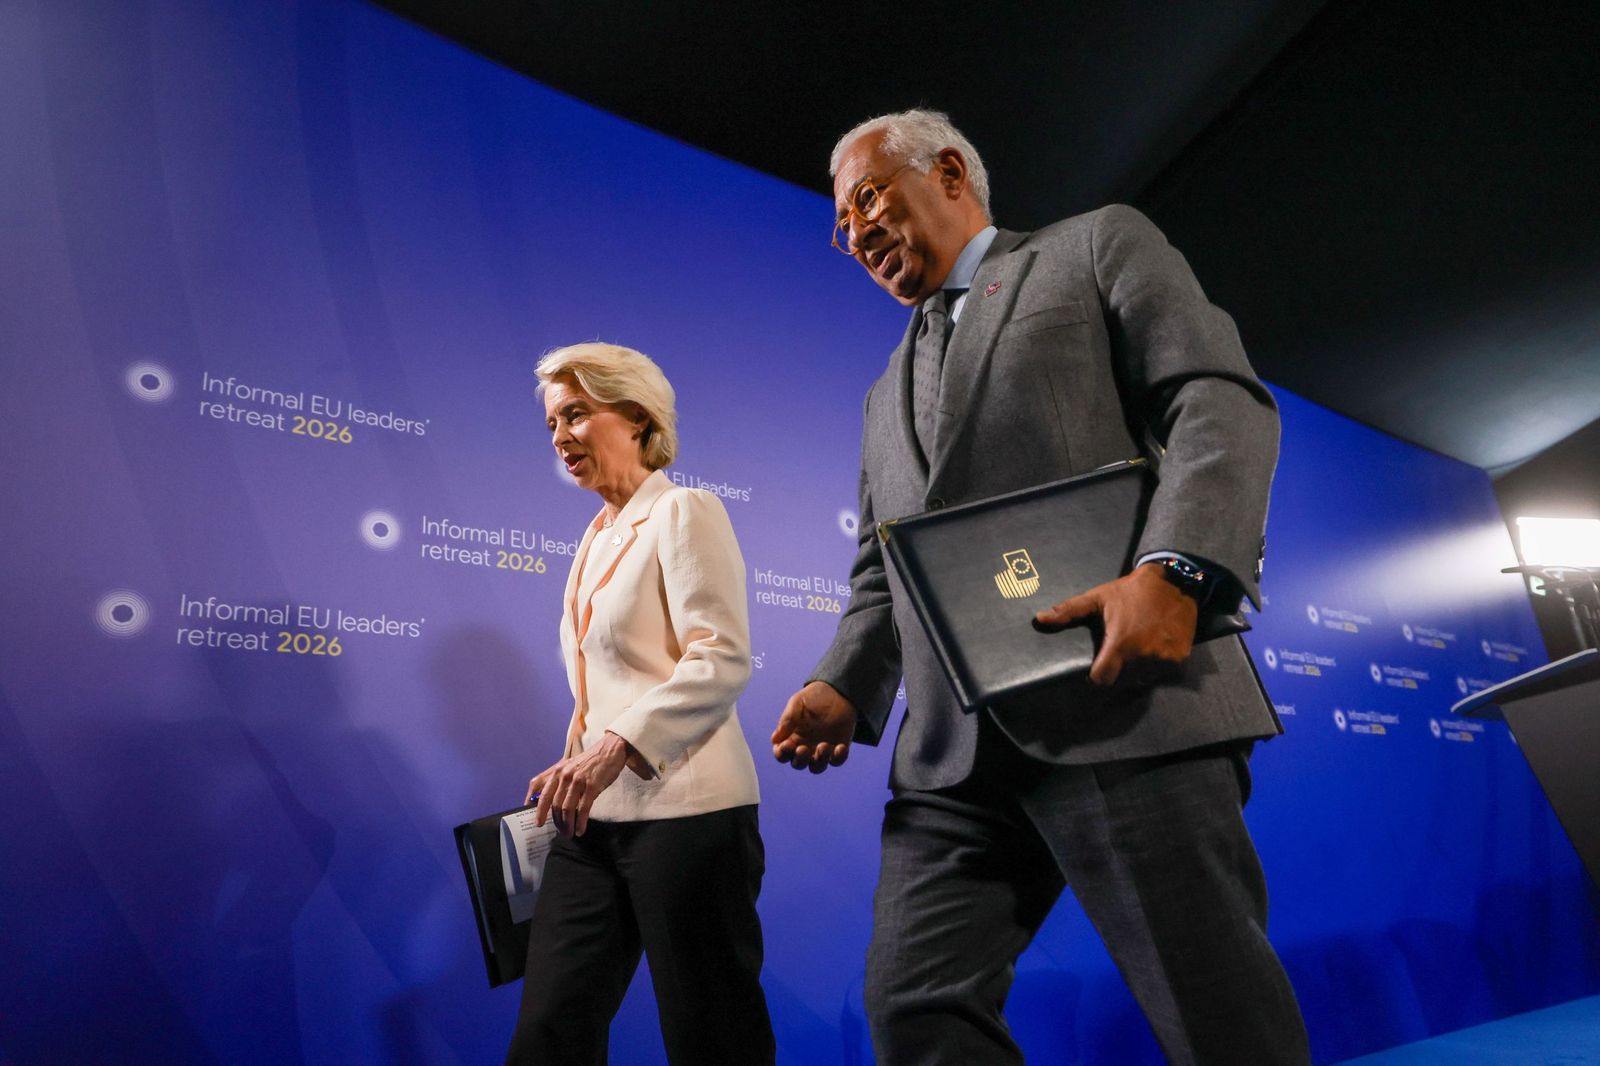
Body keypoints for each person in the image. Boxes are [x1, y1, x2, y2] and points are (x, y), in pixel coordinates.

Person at [771, 110, 1310, 1064]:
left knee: (1212, 1012)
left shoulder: (1094, 245)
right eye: (839, 226)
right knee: (913, 1009)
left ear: (946, 171)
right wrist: (845, 683)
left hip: (1120, 704)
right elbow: (881, 567)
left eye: (864, 199)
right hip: (952, 758)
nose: (852, 233)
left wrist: (1175, 571)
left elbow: (1216, 399)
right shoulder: (880, 392)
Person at [507, 342, 774, 1065]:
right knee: (547, 1035)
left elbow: (719, 656)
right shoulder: (592, 538)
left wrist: (614, 745)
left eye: (576, 414)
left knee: (710, 1036)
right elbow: (603, 682)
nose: (560, 436)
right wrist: (576, 760)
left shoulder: (685, 511)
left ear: (634, 415)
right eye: (552, 424)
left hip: (689, 816)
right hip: (590, 823)